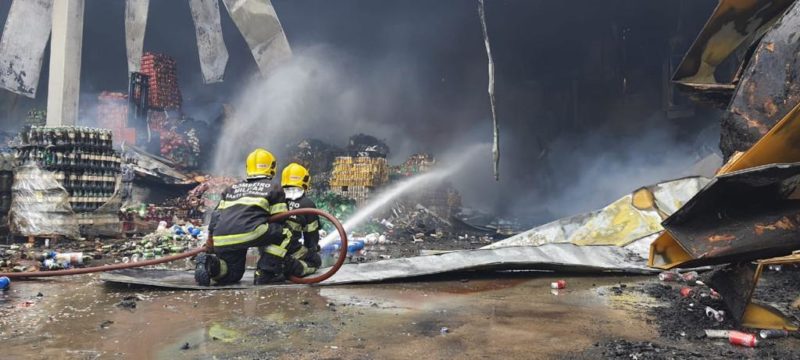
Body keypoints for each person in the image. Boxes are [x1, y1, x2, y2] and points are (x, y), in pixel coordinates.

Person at [195, 148, 295, 286]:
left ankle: (210, 264)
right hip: (251, 233)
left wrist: (211, 240)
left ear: (248, 168)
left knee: (231, 274)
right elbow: (280, 218)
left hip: (222, 237)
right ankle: (266, 272)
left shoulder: (231, 188)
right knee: (286, 231)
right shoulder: (274, 188)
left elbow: (216, 216)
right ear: (272, 167)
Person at [280, 163, 322, 277]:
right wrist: (312, 250)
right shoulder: (307, 204)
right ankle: (291, 267)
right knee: (315, 261)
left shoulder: (275, 198)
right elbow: (311, 236)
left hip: (269, 249)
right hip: (291, 249)